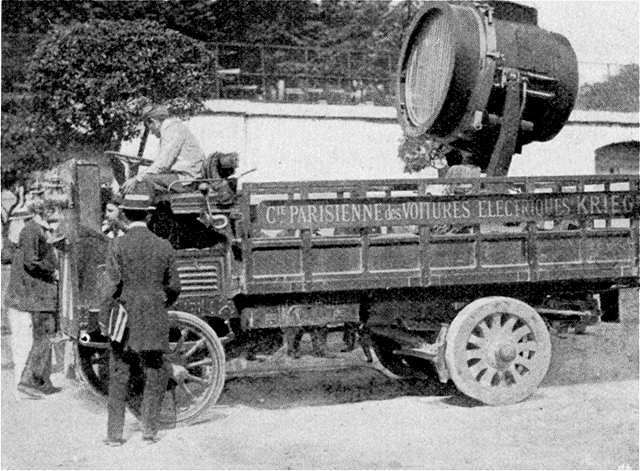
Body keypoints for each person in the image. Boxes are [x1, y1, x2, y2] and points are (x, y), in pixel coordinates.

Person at [100, 193, 181, 446]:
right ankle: (149, 432)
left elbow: (111, 287)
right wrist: (160, 303)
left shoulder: (117, 245)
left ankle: (114, 435)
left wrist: (105, 317)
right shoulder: (164, 246)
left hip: (124, 318)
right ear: (148, 215)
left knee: (119, 374)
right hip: (154, 316)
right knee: (155, 372)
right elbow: (174, 287)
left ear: (124, 214)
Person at [5, 193, 61, 400]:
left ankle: (42, 381)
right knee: (44, 336)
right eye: (53, 210)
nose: (56, 214)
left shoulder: (36, 229)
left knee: (45, 335)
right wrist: (52, 271)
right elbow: (31, 261)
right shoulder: (32, 230)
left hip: (40, 293)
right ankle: (28, 381)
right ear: (44, 211)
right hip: (38, 293)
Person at [120, 104, 205, 200]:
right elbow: (163, 162)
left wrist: (137, 178)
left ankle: (138, 208)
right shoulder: (172, 129)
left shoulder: (172, 129)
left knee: (144, 181)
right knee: (146, 179)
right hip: (184, 178)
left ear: (153, 121)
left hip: (187, 180)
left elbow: (163, 163)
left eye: (149, 127)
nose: (151, 132)